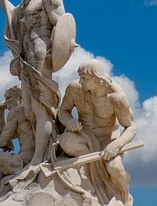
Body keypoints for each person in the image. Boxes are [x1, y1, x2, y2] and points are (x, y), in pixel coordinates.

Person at [0, 0, 72, 165]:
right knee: (29, 110)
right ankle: (39, 154)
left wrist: (54, 54)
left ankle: (39, 159)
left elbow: (62, 28)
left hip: (40, 55)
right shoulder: (28, 0)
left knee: (41, 108)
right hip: (25, 56)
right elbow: (13, 16)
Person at [55, 60, 138, 206]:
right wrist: (69, 122)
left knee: (115, 168)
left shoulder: (116, 97)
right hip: (84, 136)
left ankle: (125, 198)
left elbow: (131, 127)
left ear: (97, 78)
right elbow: (63, 111)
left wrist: (116, 145)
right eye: (80, 77)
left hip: (108, 138)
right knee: (65, 142)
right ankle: (93, 182)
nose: (81, 81)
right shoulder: (75, 89)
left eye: (85, 78)